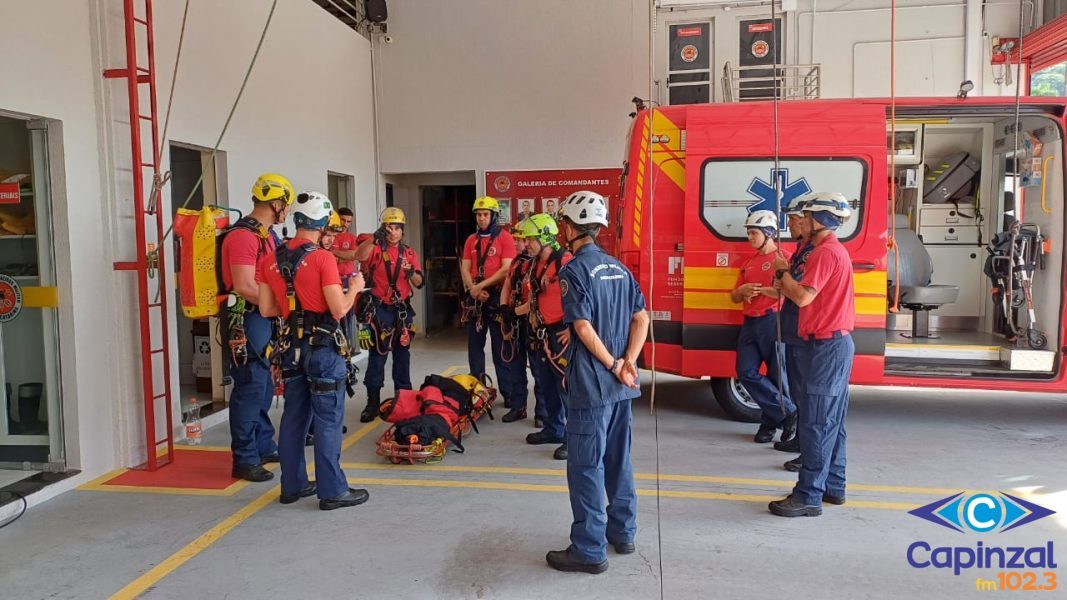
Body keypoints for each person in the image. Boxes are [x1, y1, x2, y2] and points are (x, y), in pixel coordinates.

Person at [546, 191, 649, 574]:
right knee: (618, 460)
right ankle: (622, 533)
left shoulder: (573, 270)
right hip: (621, 388)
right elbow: (642, 318)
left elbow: (582, 326)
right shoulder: (619, 268)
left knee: (586, 466)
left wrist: (611, 364)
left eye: (562, 224)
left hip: (592, 386)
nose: (560, 231)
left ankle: (589, 549)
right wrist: (628, 363)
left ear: (571, 227)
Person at [257, 191, 370, 511]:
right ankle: (333, 490)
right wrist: (355, 288)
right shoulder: (323, 259)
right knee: (328, 420)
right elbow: (338, 309)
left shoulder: (270, 260)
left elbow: (267, 309)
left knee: (294, 417)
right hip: (322, 349)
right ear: (323, 223)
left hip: (290, 348)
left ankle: (291, 485)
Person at [769, 192, 854, 518]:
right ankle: (833, 485)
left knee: (816, 423)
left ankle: (808, 495)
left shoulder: (824, 253)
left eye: (805, 216)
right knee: (832, 422)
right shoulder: (830, 251)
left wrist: (781, 273)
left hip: (826, 348)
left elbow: (803, 297)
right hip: (831, 345)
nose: (800, 221)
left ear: (820, 219)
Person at [221, 173, 292, 482]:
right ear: (276, 203)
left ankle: (263, 444)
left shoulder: (267, 235)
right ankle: (244, 457)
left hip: (263, 318)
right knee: (249, 389)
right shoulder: (243, 237)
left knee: (263, 387)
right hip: (247, 319)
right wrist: (280, 307)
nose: (286, 211)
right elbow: (244, 285)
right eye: (285, 206)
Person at [730, 210, 796, 444]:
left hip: (773, 321)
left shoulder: (783, 259)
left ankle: (770, 426)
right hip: (750, 322)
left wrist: (758, 290)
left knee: (778, 377)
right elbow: (734, 296)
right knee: (745, 371)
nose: (750, 237)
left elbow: (789, 291)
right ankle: (788, 413)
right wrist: (742, 291)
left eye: (754, 233)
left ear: (769, 234)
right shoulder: (748, 263)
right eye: (749, 233)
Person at [354, 207, 424, 421]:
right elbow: (360, 255)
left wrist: (411, 273)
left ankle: (404, 398)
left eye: (397, 228)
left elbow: (420, 283)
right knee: (378, 356)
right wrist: (374, 239)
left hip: (401, 310)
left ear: (403, 231)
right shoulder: (375, 249)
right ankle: (372, 402)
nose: (393, 232)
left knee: (403, 356)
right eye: (389, 228)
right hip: (380, 309)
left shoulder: (409, 253)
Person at [516, 213, 572, 460]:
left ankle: (573, 438)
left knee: (566, 388)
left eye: (531, 238)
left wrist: (574, 328)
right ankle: (553, 429)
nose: (526, 243)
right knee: (546, 384)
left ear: (546, 237)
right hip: (543, 333)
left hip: (561, 334)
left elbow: (582, 298)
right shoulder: (536, 263)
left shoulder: (566, 262)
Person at [460, 196, 518, 407]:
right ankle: (477, 390)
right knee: (474, 348)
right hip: (475, 296)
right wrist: (472, 289)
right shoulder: (471, 240)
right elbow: (465, 267)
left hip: (495, 296)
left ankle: (508, 392)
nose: (482, 218)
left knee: (500, 347)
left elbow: (506, 269)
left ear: (493, 216)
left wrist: (481, 287)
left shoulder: (505, 238)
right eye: (478, 215)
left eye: (485, 214)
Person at [775, 197, 816, 471]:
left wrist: (782, 273)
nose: (789, 224)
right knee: (796, 389)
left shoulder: (813, 252)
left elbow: (797, 291)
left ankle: (807, 450)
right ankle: (800, 439)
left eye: (793, 219)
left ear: (806, 221)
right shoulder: (801, 248)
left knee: (804, 393)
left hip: (803, 329)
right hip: (792, 326)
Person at [498, 220, 539, 424]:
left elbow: (535, 300)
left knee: (540, 371)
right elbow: (507, 284)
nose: (515, 243)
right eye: (515, 239)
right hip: (515, 320)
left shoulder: (540, 265)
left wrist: (514, 312)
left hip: (533, 323)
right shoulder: (516, 262)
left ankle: (543, 413)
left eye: (520, 239)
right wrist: (505, 309)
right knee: (515, 365)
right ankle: (518, 406)